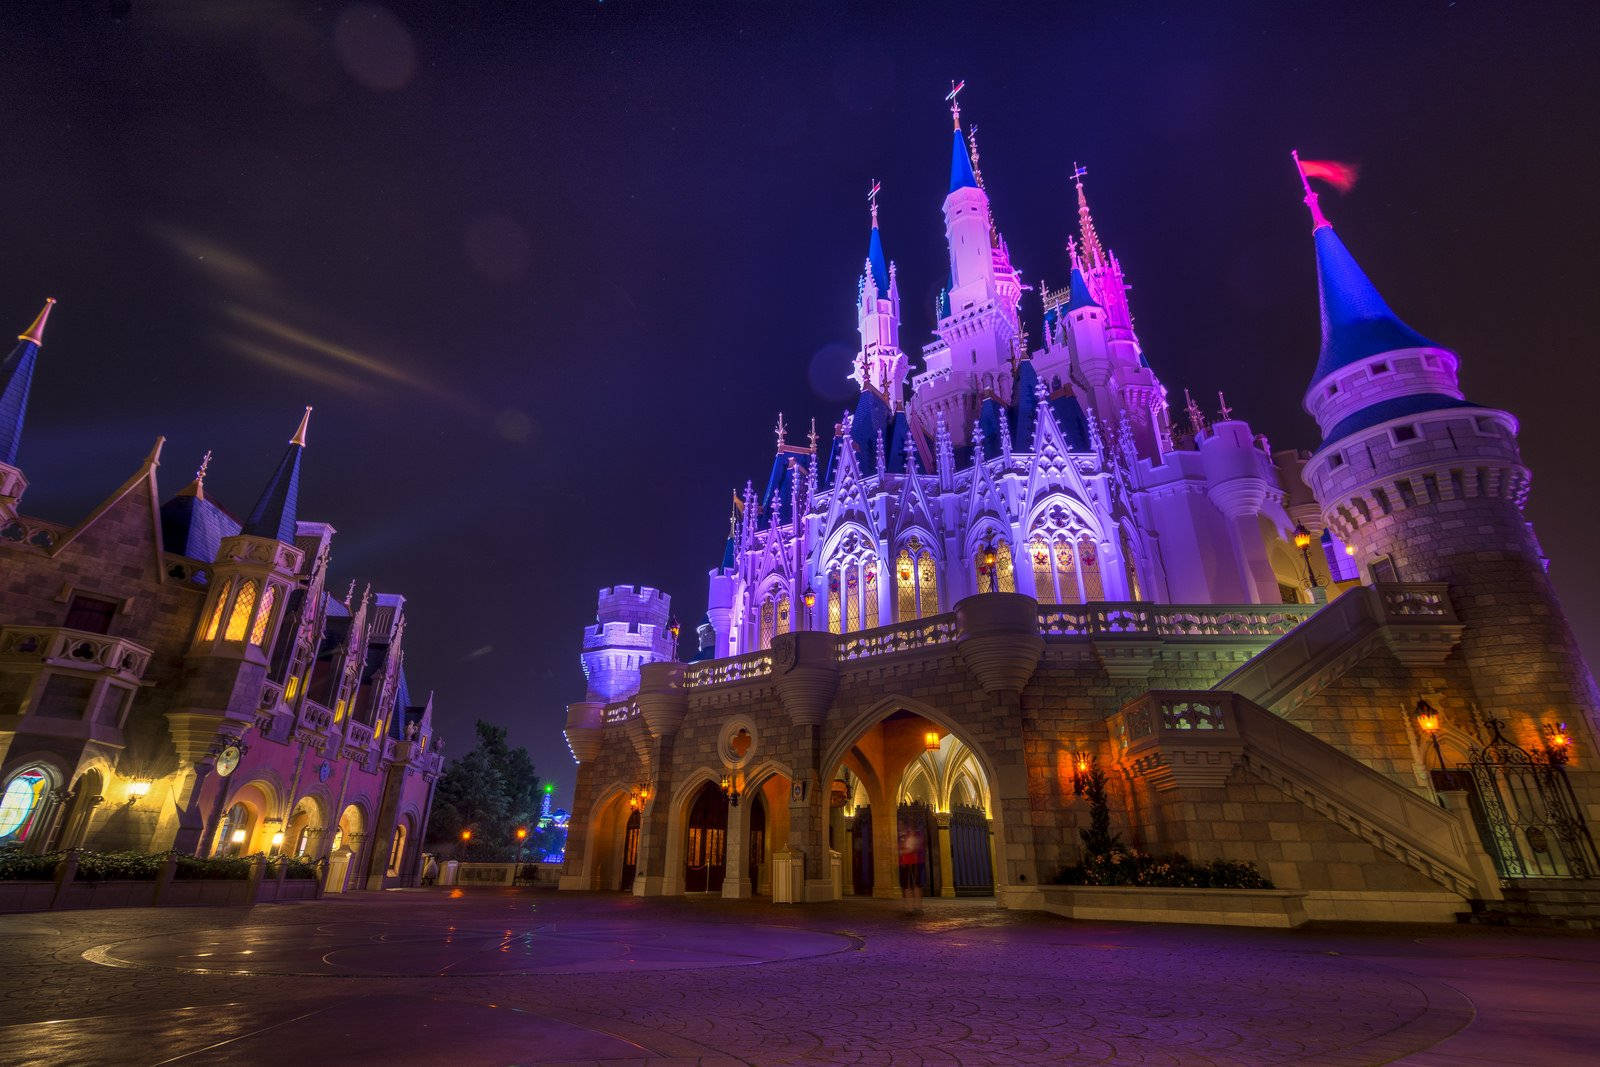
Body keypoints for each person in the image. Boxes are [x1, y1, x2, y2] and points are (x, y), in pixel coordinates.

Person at [898, 823, 925, 914]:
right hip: (908, 863)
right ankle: (912, 907)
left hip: (912, 863)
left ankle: (914, 907)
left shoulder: (911, 837)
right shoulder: (906, 837)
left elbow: (911, 849)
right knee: (910, 886)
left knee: (912, 886)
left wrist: (900, 852)